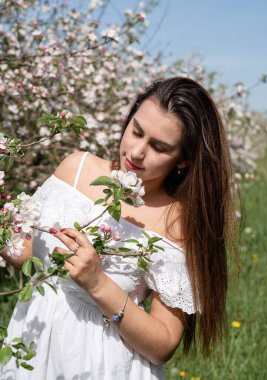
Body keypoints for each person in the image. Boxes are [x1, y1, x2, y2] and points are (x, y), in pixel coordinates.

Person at [0, 77, 238, 379]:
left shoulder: (176, 223)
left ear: (185, 160)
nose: (137, 152)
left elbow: (162, 345)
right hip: (33, 346)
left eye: (159, 147)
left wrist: (98, 284)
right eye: (136, 131)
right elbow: (30, 257)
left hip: (102, 365)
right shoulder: (76, 169)